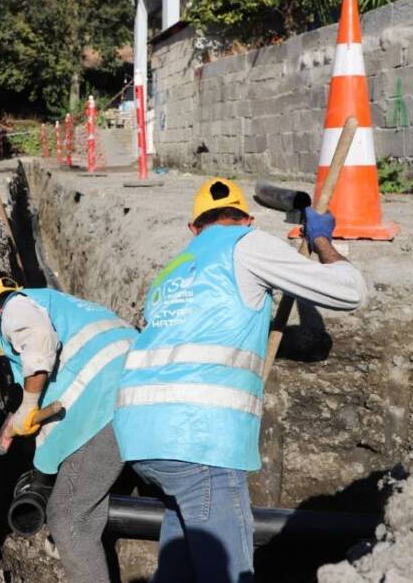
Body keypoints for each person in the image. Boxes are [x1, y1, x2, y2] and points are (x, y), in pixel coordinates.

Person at [112, 178, 368, 583]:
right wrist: (321, 242)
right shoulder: (246, 242)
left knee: (179, 568)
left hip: (141, 436)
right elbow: (350, 292)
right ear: (246, 219)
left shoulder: (171, 270)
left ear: (193, 228)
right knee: (228, 573)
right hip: (200, 438)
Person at [0, 277, 137, 582]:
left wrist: (27, 405)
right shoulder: (66, 307)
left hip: (110, 398)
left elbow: (37, 340)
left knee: (68, 518)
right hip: (152, 387)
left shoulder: (13, 306)